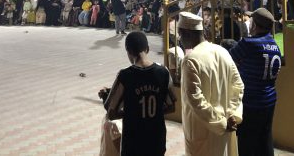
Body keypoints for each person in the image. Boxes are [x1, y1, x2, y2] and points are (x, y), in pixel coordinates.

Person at [178, 11, 244, 156]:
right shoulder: (222, 51)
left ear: (187, 34)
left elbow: (195, 100)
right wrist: (232, 115)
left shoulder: (191, 60)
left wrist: (220, 123)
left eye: (180, 35)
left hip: (202, 131)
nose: (180, 39)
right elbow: (238, 86)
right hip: (225, 127)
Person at [100, 31, 176, 156]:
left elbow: (111, 112)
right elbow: (171, 107)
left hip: (133, 142)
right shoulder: (163, 72)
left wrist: (106, 97)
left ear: (128, 51)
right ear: (148, 49)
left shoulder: (125, 75)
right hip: (156, 140)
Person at [230, 8, 282, 156]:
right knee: (265, 139)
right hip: (269, 100)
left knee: (246, 143)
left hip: (250, 102)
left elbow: (228, 59)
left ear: (254, 25)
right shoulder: (275, 45)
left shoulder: (248, 43)